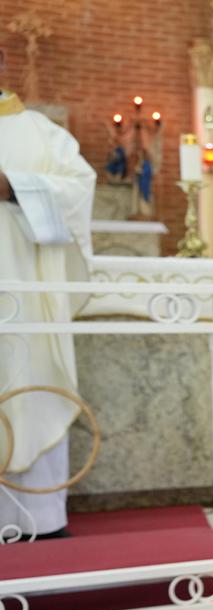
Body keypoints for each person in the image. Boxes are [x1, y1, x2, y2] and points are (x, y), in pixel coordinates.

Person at [0, 47, 97, 540]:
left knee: (30, 386)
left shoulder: (43, 135)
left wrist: (16, 187)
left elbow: (79, 190)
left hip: (25, 295)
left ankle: (38, 518)